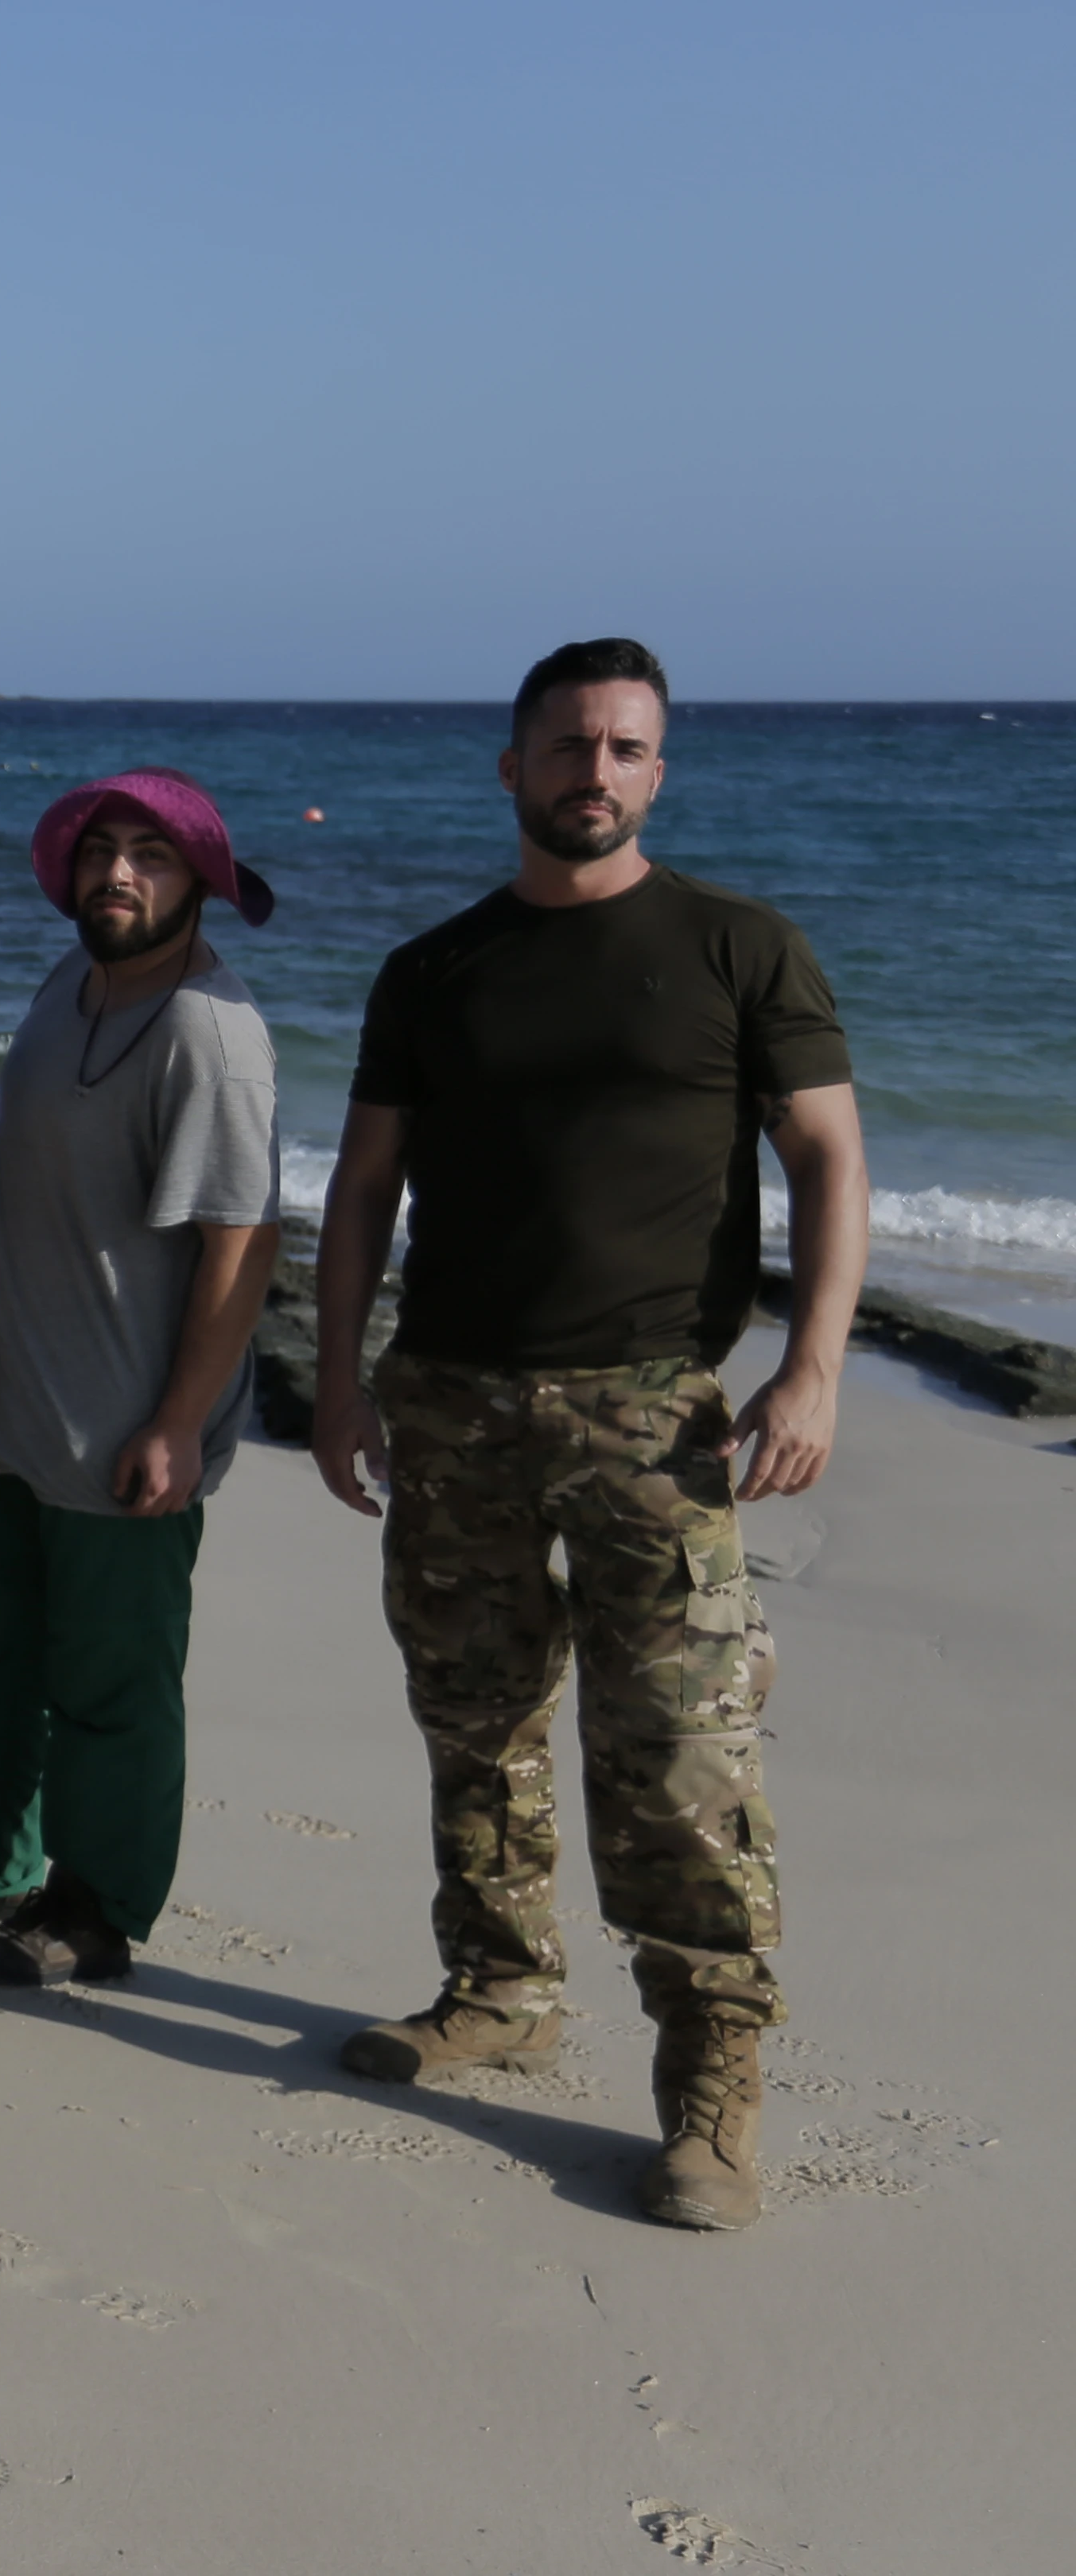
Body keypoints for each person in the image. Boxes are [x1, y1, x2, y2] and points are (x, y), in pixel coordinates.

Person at [309, 638, 864, 2233]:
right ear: (512, 768)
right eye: (567, 748)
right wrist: (342, 1380)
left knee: (680, 1755)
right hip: (455, 1400)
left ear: (659, 773)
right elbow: (361, 1189)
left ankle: (712, 2088)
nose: (595, 774)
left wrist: (813, 1367)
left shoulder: (740, 950)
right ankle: (496, 1986)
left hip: (652, 1413)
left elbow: (828, 1158)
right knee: (473, 1718)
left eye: (625, 750)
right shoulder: (437, 971)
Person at [0, 770, 282, 1985]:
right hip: (13, 1407)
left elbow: (243, 1244)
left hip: (126, 1426)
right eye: (103, 852)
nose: (121, 875)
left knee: (112, 1680)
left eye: (152, 855)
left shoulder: (211, 1031)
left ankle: (95, 1907)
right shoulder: (68, 985)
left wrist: (182, 1421)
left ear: (200, 880)